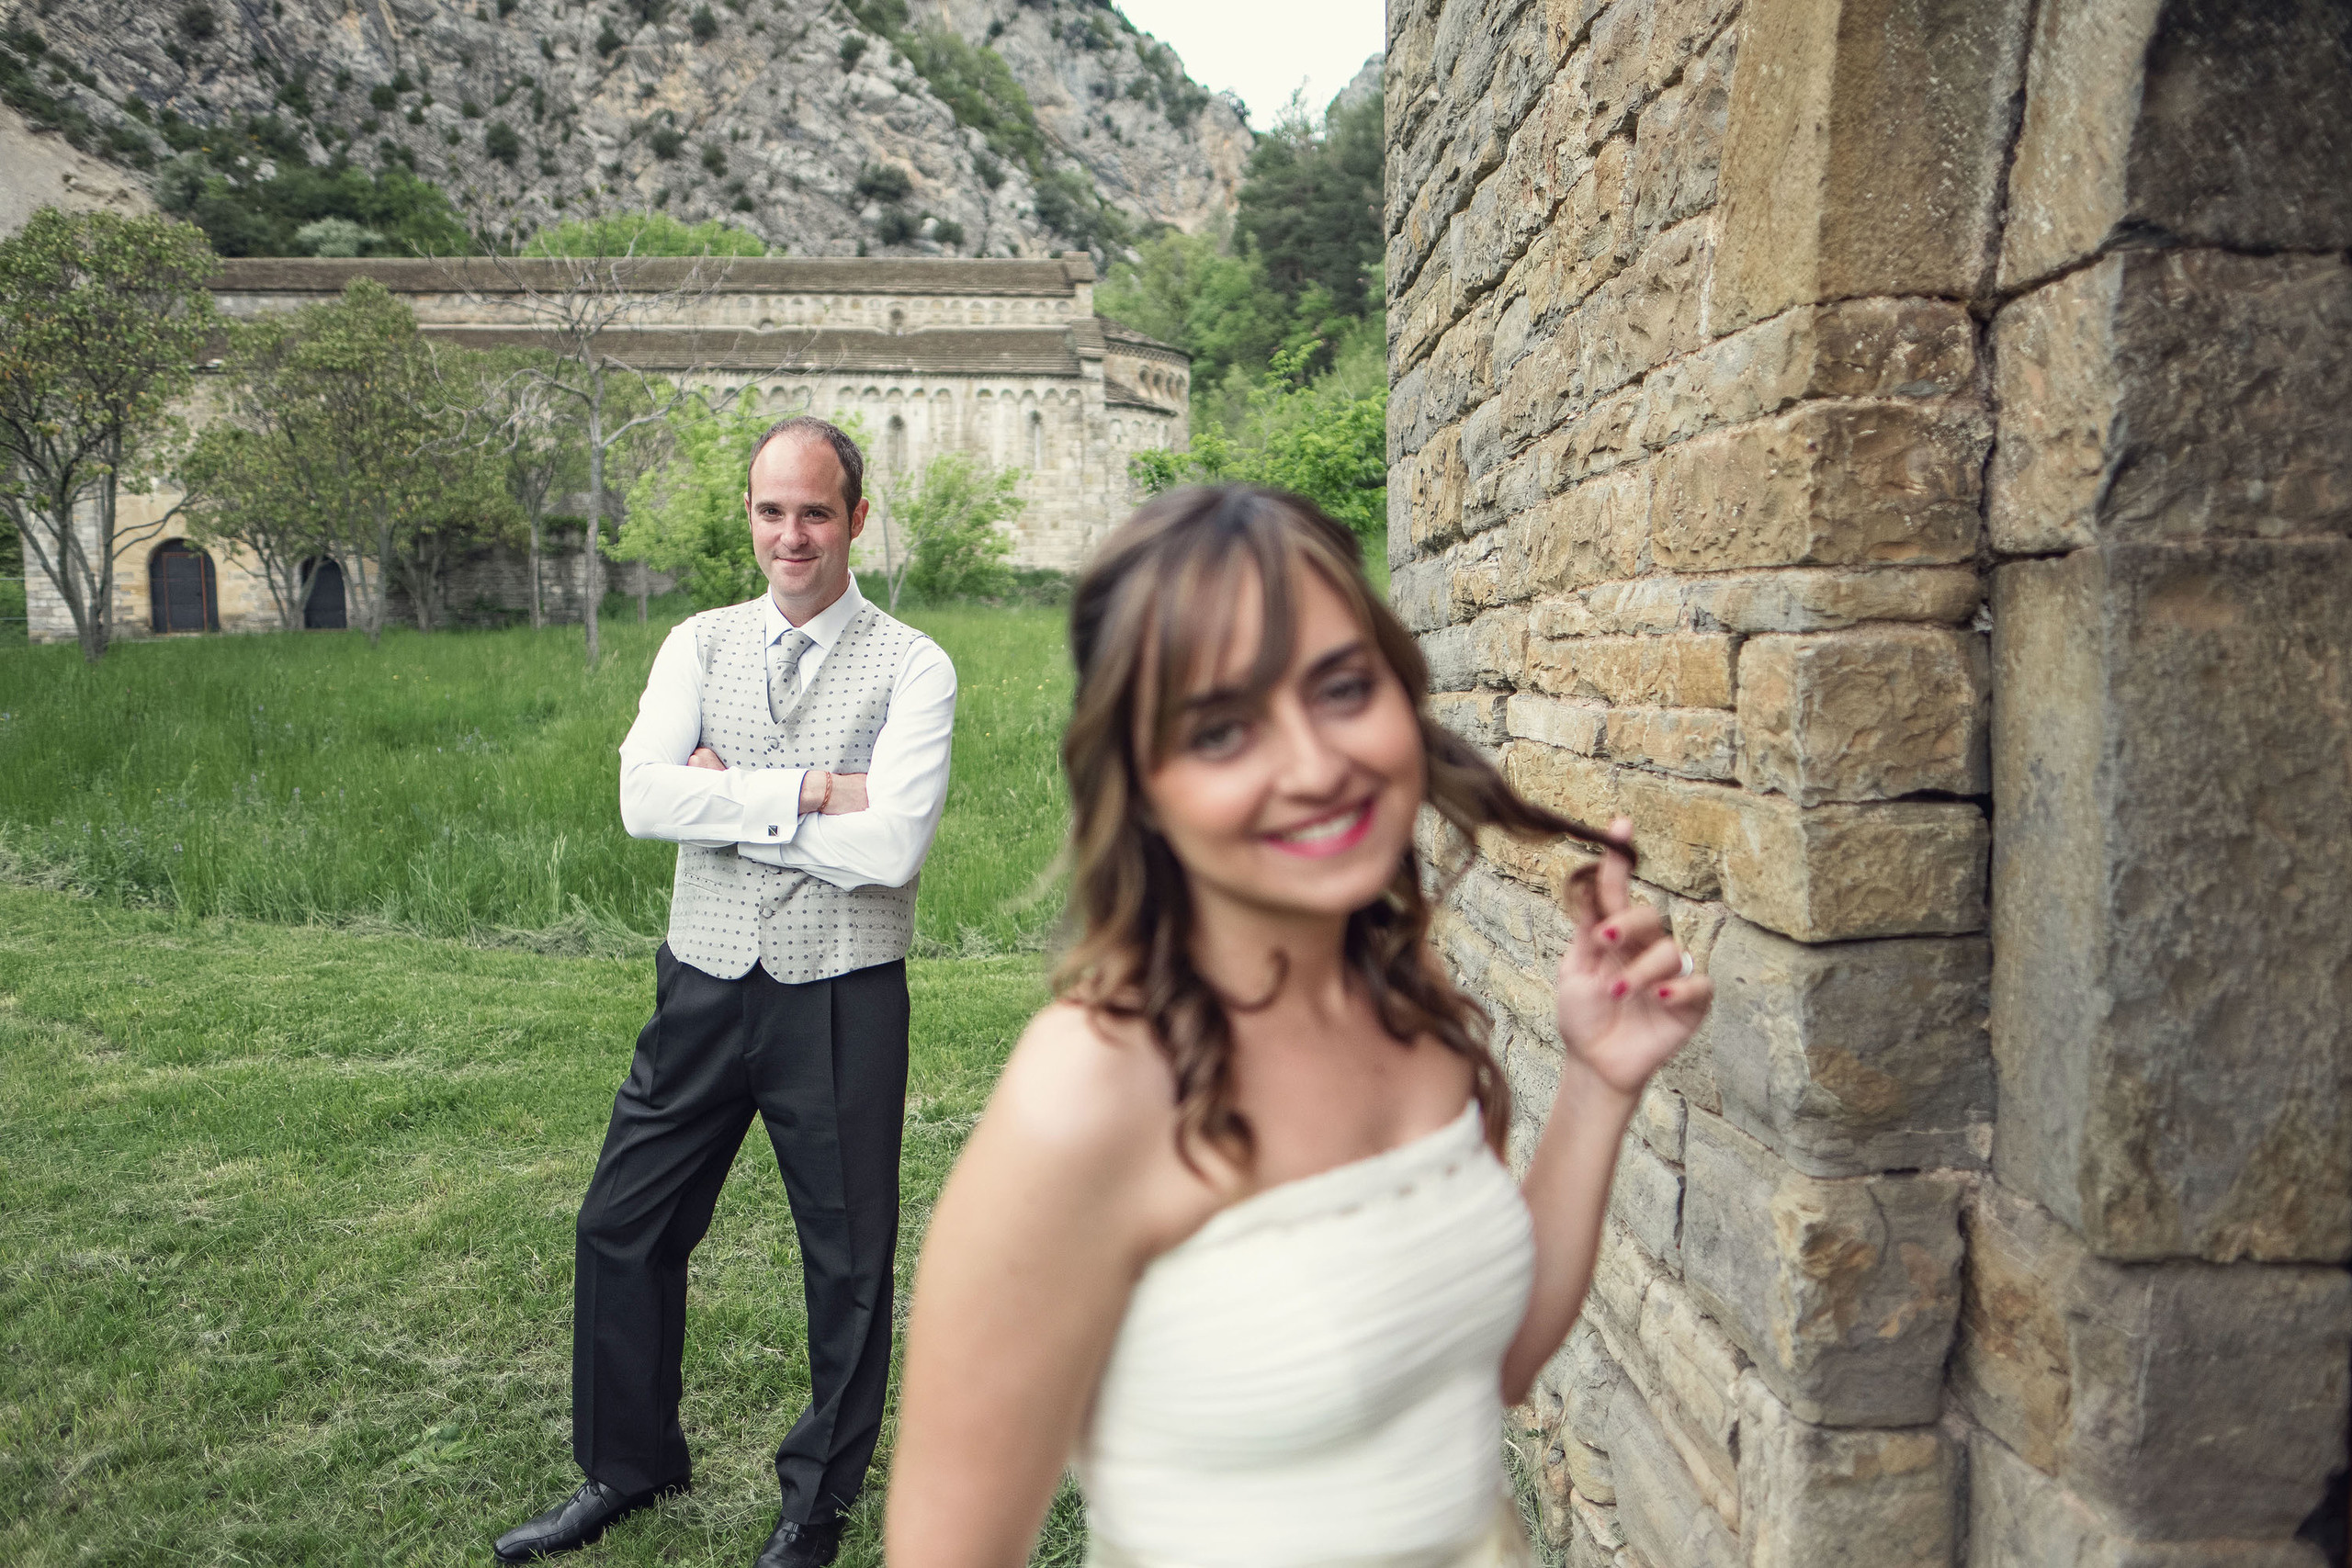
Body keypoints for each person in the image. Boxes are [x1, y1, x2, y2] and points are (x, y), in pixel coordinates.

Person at [885, 486, 1712, 1568]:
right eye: (1222, 730)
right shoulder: (1092, 1087)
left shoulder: (1402, 993)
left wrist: (1601, 1083)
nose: (1316, 767)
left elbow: (1478, 1374)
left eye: (1340, 688)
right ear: (1140, 786)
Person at [495, 416, 957, 1567]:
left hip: (842, 995)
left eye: (813, 512)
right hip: (700, 980)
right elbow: (646, 803)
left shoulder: (915, 664)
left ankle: (816, 1505)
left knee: (845, 1260)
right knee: (622, 1225)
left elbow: (895, 847)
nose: (789, 535)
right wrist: (810, 792)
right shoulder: (695, 645)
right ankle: (628, 1464)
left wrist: (735, 801)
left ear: (855, 518)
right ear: (747, 516)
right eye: (769, 511)